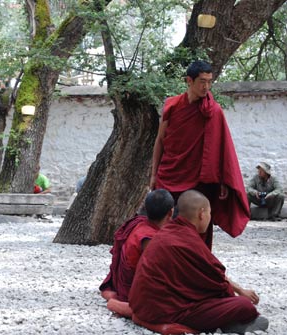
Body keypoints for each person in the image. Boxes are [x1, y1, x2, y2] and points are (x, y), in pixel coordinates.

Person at [129, 190, 268, 334]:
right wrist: (234, 295)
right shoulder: (188, 238)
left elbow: (204, 277)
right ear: (202, 213)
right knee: (244, 305)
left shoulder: (167, 232)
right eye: (209, 213)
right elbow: (217, 281)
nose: (209, 218)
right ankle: (226, 324)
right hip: (163, 311)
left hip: (141, 305)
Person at [150, 60, 249, 249]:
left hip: (198, 181)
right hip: (170, 174)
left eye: (210, 82)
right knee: (165, 226)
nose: (206, 87)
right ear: (189, 80)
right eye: (202, 81)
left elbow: (222, 148)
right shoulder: (172, 106)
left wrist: (222, 181)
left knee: (197, 227)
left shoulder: (213, 111)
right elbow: (160, 140)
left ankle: (196, 266)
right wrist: (154, 174)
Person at [99, 189, 174, 308]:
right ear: (171, 212)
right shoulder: (151, 239)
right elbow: (157, 274)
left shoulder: (137, 223)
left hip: (122, 283)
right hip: (134, 290)